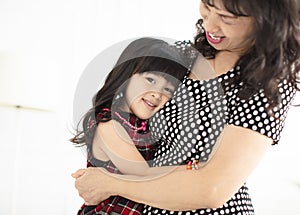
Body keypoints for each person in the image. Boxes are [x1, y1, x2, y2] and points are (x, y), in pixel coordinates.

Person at [72, 0, 300, 214]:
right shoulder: (183, 55)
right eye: (208, 6)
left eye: (226, 17)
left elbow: (212, 189)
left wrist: (110, 183)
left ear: (267, 20)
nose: (209, 24)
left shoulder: (266, 83)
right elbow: (124, 105)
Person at [71, 37, 189, 214]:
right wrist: (193, 168)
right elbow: (143, 174)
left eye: (167, 90)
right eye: (151, 80)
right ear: (127, 75)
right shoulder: (109, 126)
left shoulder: (147, 127)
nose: (157, 94)